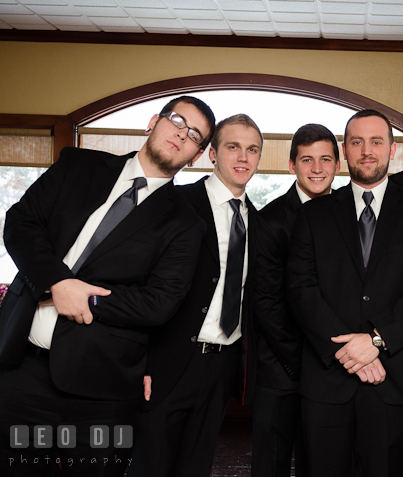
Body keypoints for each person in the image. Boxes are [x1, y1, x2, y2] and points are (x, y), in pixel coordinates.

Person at [0, 95, 213, 476]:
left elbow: (159, 302)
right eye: (177, 120)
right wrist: (57, 282)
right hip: (21, 371)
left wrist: (84, 299)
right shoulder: (78, 164)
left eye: (195, 135)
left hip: (104, 390)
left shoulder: (186, 223)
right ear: (153, 121)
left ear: (196, 155)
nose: (182, 134)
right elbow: (20, 223)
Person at [287, 110, 403, 477]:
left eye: (377, 142)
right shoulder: (313, 215)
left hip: (395, 380)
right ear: (345, 150)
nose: (367, 150)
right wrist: (349, 349)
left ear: (393, 150)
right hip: (328, 381)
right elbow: (301, 289)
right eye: (357, 142)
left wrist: (376, 339)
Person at [127, 114, 263, 476]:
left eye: (252, 150)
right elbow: (138, 283)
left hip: (223, 365)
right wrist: (141, 363)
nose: (243, 158)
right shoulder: (174, 202)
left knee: (196, 467)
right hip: (167, 361)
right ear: (211, 154)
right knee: (149, 465)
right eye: (233, 147)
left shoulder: (261, 223)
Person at [252, 123, 341, 477]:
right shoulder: (269, 220)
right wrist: (300, 361)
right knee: (270, 463)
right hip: (281, 366)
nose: (316, 168)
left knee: (322, 462)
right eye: (307, 160)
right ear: (291, 165)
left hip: (333, 368)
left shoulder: (350, 213)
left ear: (338, 164)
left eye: (325, 159)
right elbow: (267, 302)